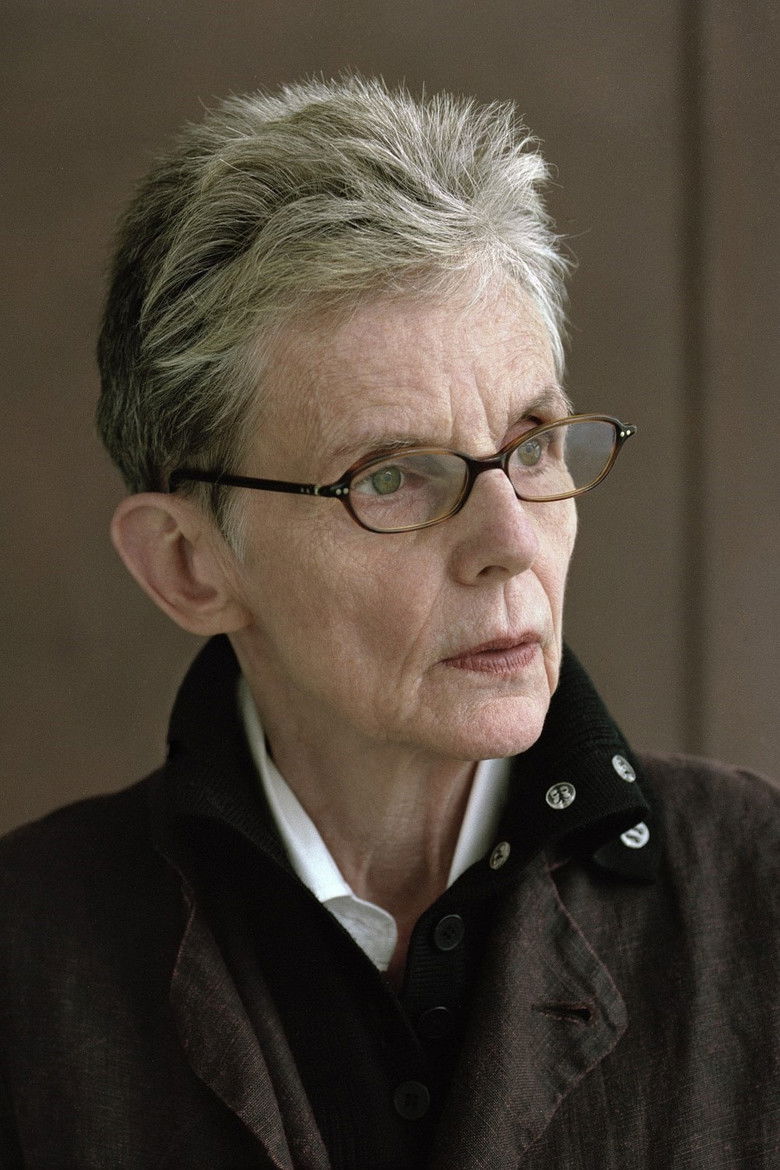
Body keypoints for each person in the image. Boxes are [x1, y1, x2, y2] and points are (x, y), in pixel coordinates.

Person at [0, 77, 776, 1170]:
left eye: (533, 444)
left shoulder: (760, 892)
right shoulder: (30, 960)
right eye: (393, 476)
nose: (511, 540)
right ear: (188, 565)